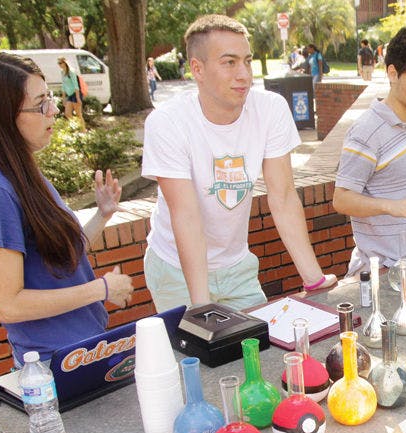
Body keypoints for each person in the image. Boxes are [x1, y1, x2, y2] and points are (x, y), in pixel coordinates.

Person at [141, 16, 336, 311]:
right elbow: (186, 214)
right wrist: (201, 307)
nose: (243, 74)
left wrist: (313, 279)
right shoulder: (167, 122)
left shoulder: (270, 109)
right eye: (229, 62)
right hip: (176, 269)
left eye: (247, 61)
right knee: (197, 355)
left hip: (237, 266)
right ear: (198, 69)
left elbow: (282, 196)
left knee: (257, 350)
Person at [0, 50, 133, 365]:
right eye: (40, 104)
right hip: (52, 364)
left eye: (49, 98)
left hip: (82, 350)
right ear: (1, 115)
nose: (54, 110)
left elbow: (60, 257)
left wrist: (102, 215)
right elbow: (10, 304)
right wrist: (100, 290)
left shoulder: (23, 173)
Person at [332, 25, 406, 276]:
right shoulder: (367, 130)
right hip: (381, 273)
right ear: (393, 73)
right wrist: (391, 206)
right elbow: (341, 199)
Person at [57, 57, 84, 129]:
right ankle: (75, 127)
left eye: (60, 63)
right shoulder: (62, 72)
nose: (59, 65)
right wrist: (63, 98)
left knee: (79, 114)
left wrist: (78, 98)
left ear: (65, 63)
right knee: (67, 114)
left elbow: (76, 85)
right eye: (58, 63)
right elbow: (63, 86)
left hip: (75, 94)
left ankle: (83, 130)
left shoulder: (71, 72)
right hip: (69, 95)